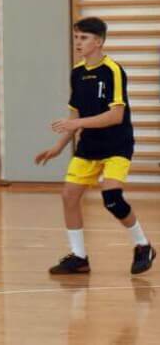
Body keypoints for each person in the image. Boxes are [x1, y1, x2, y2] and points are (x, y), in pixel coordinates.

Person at [35, 16, 155, 275]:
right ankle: (79, 257)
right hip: (89, 146)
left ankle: (143, 245)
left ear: (98, 41)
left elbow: (116, 116)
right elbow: (75, 116)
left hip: (116, 145)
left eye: (84, 38)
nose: (78, 42)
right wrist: (58, 147)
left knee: (112, 199)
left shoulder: (113, 70)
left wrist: (76, 124)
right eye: (76, 37)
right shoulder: (77, 73)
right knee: (69, 196)